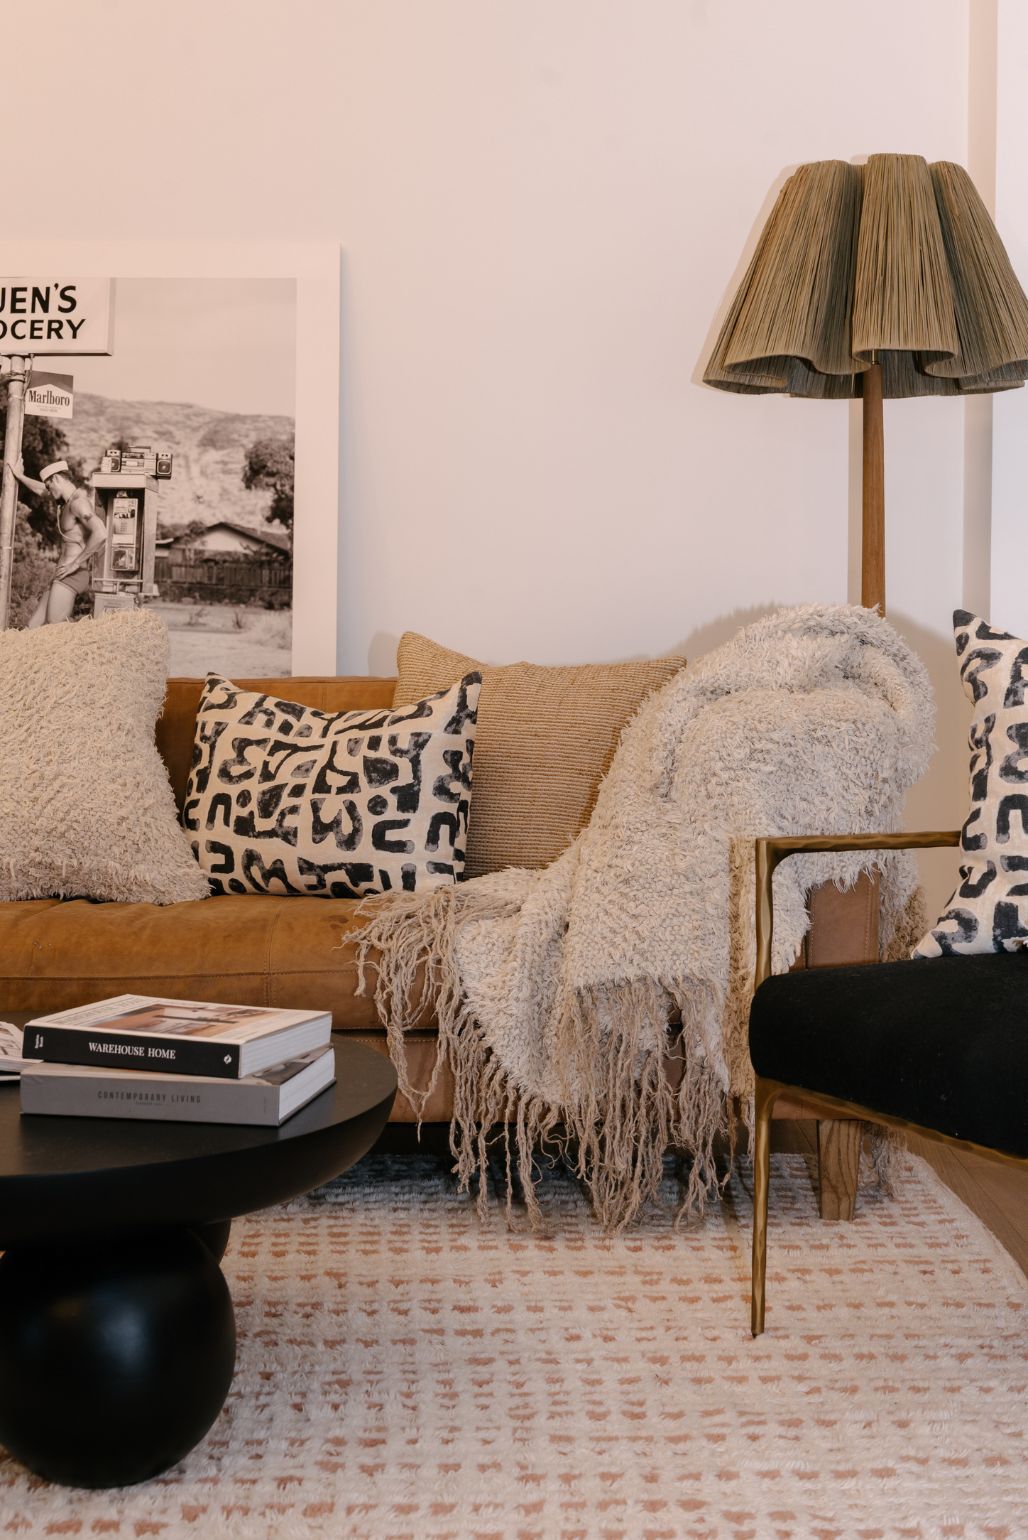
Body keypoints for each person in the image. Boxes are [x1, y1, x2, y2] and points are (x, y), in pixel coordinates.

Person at [6, 458, 107, 625]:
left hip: (73, 574)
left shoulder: (78, 503)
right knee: (34, 628)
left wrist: (75, 563)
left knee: (55, 626)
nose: (48, 490)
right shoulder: (64, 503)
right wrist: (20, 476)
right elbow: (40, 490)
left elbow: (101, 533)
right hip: (61, 574)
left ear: (57, 479)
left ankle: (86, 647)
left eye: (49, 485)